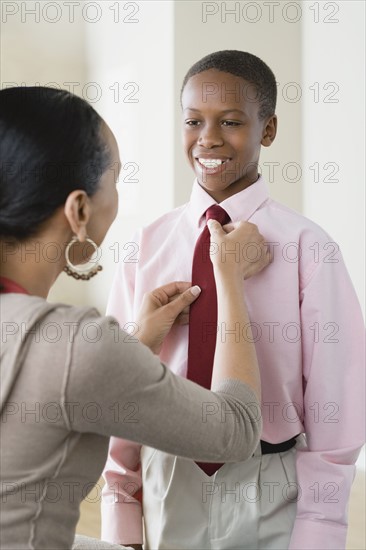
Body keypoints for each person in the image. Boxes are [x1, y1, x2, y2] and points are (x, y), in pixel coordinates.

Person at [101, 51, 365, 550]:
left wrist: (321, 529)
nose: (209, 138)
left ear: (268, 130)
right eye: (193, 121)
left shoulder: (309, 248)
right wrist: (122, 504)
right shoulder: (145, 247)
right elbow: (123, 382)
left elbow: (337, 398)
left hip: (271, 484)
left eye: (231, 122)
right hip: (168, 475)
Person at [0, 86, 271, 550]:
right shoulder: (76, 343)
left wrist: (134, 344)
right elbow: (237, 430)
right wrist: (228, 279)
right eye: (116, 179)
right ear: (79, 209)